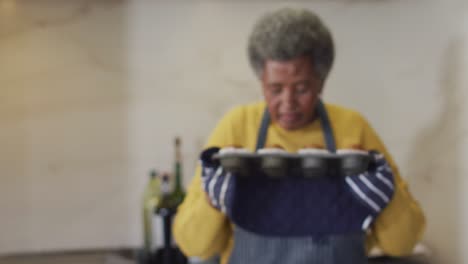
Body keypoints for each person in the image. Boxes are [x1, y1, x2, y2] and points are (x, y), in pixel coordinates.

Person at [173, 7, 425, 264]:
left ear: (321, 82)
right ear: (261, 81)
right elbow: (194, 246)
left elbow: (402, 245)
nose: (287, 102)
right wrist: (214, 199)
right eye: (275, 89)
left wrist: (384, 194)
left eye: (302, 89)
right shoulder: (237, 127)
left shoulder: (352, 129)